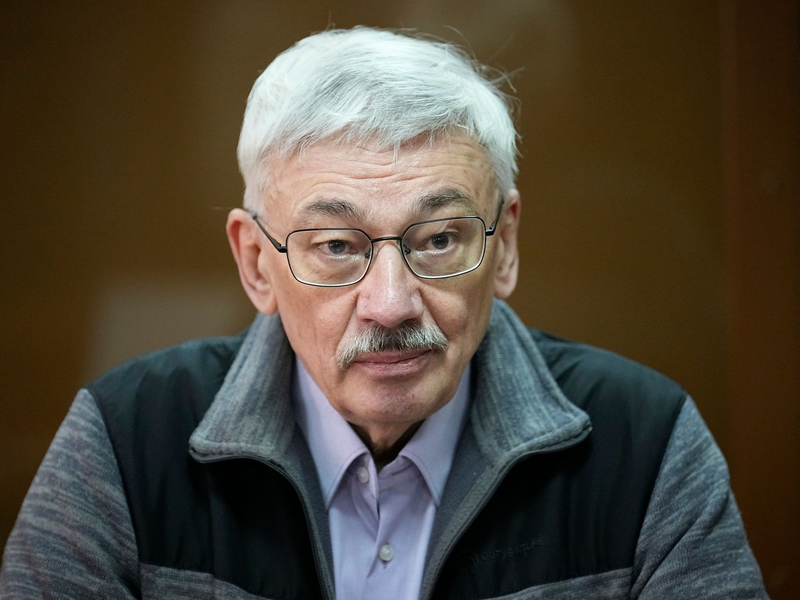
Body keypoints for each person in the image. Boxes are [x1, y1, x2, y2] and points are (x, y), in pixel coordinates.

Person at [1, 27, 767, 599]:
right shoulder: (125, 443)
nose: (392, 303)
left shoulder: (646, 445)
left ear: (504, 249)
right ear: (256, 263)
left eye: (438, 238)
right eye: (336, 245)